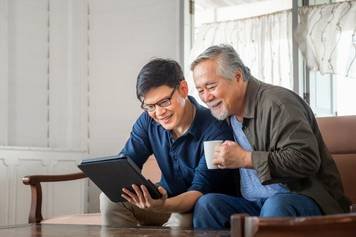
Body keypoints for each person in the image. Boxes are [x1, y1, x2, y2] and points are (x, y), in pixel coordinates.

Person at [190, 44, 351, 229]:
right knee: (208, 205)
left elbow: (306, 159)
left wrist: (245, 158)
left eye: (211, 86)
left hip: (305, 199)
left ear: (237, 77)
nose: (206, 97)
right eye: (200, 90)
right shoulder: (225, 113)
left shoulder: (278, 103)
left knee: (275, 206)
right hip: (256, 204)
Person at [100, 58, 238, 228]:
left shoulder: (216, 129)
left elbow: (198, 191)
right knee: (110, 199)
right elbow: (126, 164)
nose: (159, 113)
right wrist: (142, 192)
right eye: (150, 106)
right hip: (165, 198)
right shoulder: (148, 121)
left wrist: (161, 205)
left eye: (164, 102)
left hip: (198, 204)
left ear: (183, 89)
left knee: (180, 221)